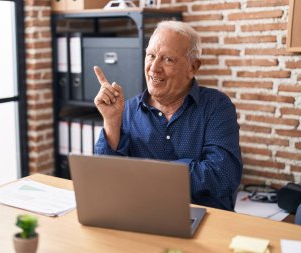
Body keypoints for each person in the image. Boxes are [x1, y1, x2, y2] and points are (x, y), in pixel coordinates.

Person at [93, 20, 242, 211]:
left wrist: (146, 174)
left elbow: (223, 176)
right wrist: (111, 120)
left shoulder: (216, 107)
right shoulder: (127, 110)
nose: (154, 68)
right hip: (142, 214)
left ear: (193, 67)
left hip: (205, 217)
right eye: (151, 56)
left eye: (167, 59)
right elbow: (106, 177)